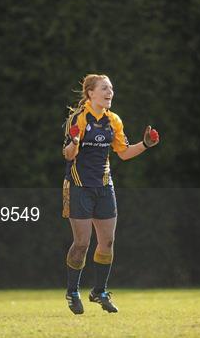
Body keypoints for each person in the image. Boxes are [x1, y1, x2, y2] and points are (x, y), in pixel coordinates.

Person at [62, 74, 159, 314]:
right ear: (91, 93)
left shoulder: (113, 120)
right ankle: (73, 292)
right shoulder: (79, 118)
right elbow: (67, 154)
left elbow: (123, 153)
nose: (110, 93)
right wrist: (74, 141)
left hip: (104, 187)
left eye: (111, 89)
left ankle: (99, 291)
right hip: (78, 186)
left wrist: (145, 144)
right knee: (82, 243)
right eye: (105, 88)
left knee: (107, 241)